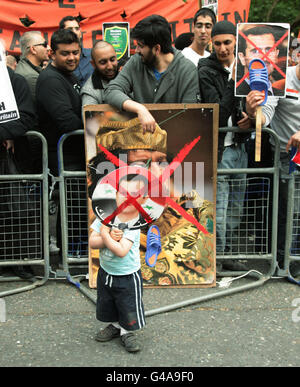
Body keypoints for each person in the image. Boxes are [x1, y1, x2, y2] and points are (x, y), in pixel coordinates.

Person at [87, 118, 214, 286]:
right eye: (140, 164)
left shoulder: (196, 212)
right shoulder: (103, 225)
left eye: (161, 162)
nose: (158, 173)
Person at [198, 21, 251, 271]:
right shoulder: (206, 69)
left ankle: (226, 254)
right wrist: (233, 80)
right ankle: (216, 257)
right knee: (219, 206)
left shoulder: (248, 66)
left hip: (240, 147)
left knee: (236, 207)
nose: (222, 48)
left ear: (236, 42)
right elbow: (217, 112)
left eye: (227, 42)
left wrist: (249, 119)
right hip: (220, 149)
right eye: (217, 43)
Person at [246, 43, 300, 277]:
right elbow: (264, 117)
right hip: (285, 155)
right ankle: (282, 261)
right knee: (286, 211)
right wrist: (252, 111)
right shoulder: (281, 78)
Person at [36, 29, 86, 257]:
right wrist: (96, 127)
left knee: (78, 210)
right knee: (72, 211)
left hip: (76, 157)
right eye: (65, 53)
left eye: (75, 52)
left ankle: (75, 256)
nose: (72, 58)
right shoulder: (50, 80)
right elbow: (67, 121)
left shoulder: (69, 75)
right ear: (51, 53)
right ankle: (71, 257)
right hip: (64, 158)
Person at [104, 14, 200, 133]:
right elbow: (111, 90)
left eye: (140, 46)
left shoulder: (187, 70)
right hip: (140, 140)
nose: (137, 50)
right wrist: (140, 109)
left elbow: (189, 115)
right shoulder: (136, 62)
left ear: (157, 49)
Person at [89, 173, 146, 353]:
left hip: (127, 275)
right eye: (123, 192)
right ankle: (115, 325)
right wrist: (107, 236)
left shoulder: (133, 222)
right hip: (107, 272)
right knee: (109, 301)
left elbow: (121, 251)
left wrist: (105, 235)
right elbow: (92, 241)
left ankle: (127, 331)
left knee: (127, 304)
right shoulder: (104, 216)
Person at [0, 66, 38, 279]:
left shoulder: (15, 81)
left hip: (11, 161)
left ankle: (18, 262)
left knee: (15, 213)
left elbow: (26, 118)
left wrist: (5, 132)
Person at [236, 25, 285, 96]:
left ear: (276, 54)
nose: (264, 58)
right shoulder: (234, 95)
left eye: (269, 50)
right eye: (255, 51)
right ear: (242, 58)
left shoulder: (281, 95)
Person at [80, 41, 118, 106]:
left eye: (112, 60)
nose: (110, 66)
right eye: (103, 62)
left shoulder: (128, 77)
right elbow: (90, 115)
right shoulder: (90, 92)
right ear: (93, 64)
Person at [15, 31, 50, 102]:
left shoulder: (26, 69)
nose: (48, 48)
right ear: (33, 49)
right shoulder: (31, 77)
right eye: (44, 45)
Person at [59, 15, 93, 86]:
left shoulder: (92, 55)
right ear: (61, 33)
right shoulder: (58, 60)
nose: (74, 32)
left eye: (77, 29)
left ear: (80, 33)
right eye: (70, 29)